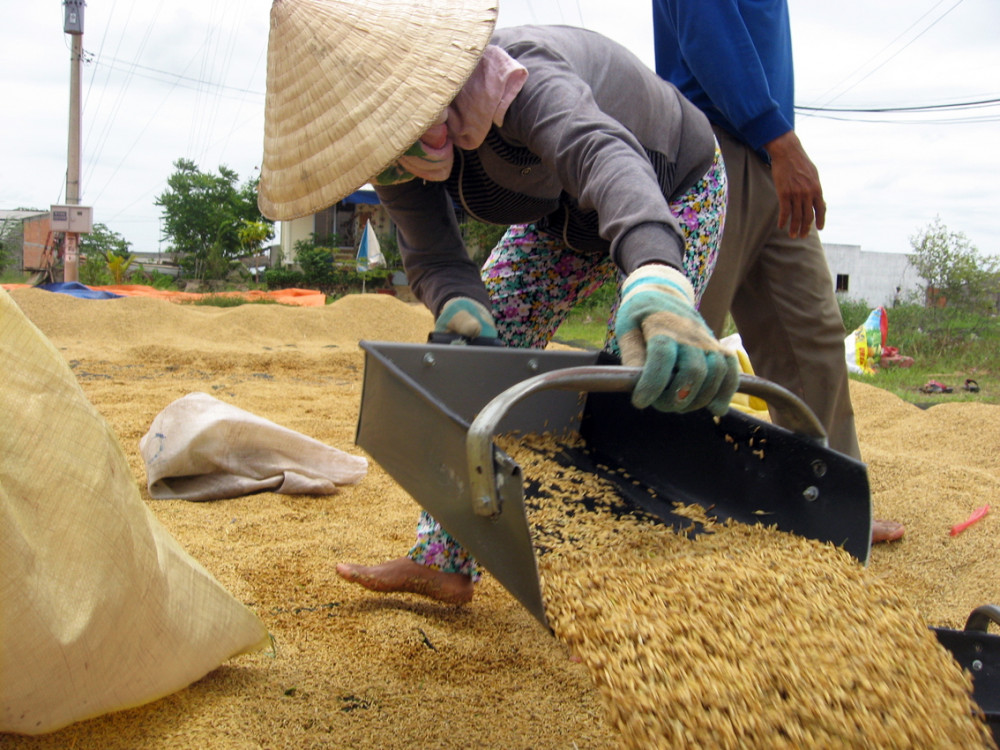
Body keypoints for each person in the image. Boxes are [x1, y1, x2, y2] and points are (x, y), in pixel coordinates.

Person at [258, 0, 738, 603]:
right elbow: (433, 256)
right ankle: (447, 559)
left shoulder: (520, 76)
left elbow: (603, 156)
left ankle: (632, 583)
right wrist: (461, 305)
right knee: (478, 370)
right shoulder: (396, 154)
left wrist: (657, 279)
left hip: (666, 193)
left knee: (635, 380)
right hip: (558, 220)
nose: (395, 149)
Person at [651, 0, 905, 544]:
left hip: (768, 152)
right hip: (710, 143)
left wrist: (775, 142)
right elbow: (706, 27)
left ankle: (830, 503)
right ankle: (641, 503)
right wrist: (780, 139)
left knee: (811, 335)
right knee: (681, 332)